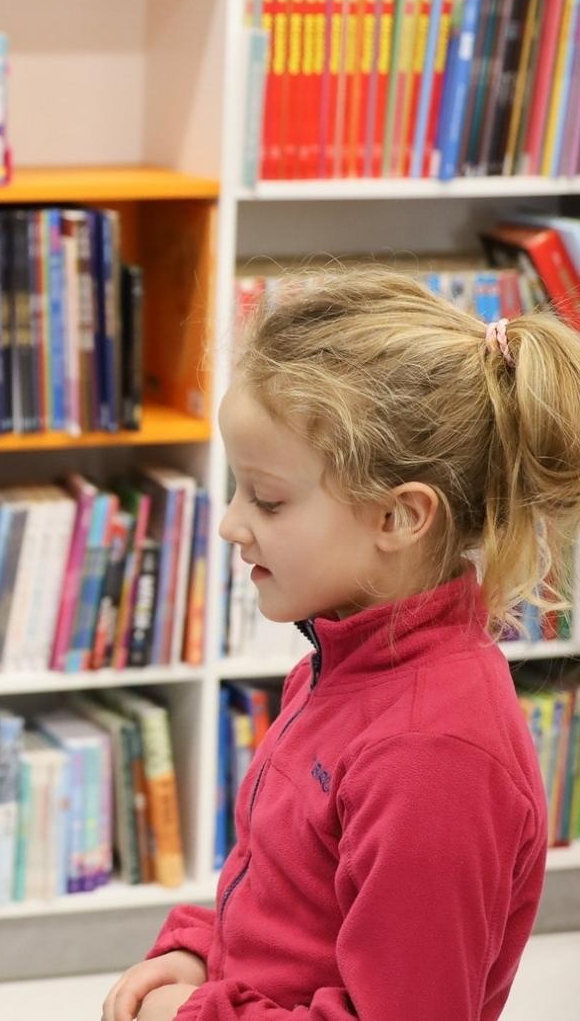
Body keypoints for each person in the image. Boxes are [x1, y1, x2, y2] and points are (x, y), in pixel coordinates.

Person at [103, 271, 580, 1021]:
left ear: (399, 517)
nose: (231, 523)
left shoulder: (432, 756)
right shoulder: (343, 661)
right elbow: (291, 897)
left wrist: (194, 1013)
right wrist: (199, 946)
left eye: (267, 498)